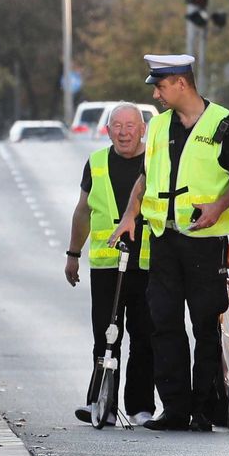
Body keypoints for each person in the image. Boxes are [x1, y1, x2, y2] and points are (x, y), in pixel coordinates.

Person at [116, 55, 229, 432]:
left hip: (204, 242)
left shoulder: (223, 123)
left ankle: (205, 409)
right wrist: (130, 215)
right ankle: (174, 409)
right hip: (163, 239)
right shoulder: (158, 126)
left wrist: (218, 206)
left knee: (205, 324)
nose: (157, 94)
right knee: (164, 323)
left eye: (160, 87)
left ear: (180, 84)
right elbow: (145, 179)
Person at [65, 102, 156, 425]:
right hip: (106, 265)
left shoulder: (156, 161)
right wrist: (73, 254)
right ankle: (99, 403)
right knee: (105, 336)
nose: (124, 132)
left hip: (146, 265)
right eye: (117, 126)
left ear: (143, 129)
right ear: (107, 131)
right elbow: (83, 211)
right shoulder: (97, 162)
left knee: (144, 337)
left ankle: (141, 407)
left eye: (131, 126)